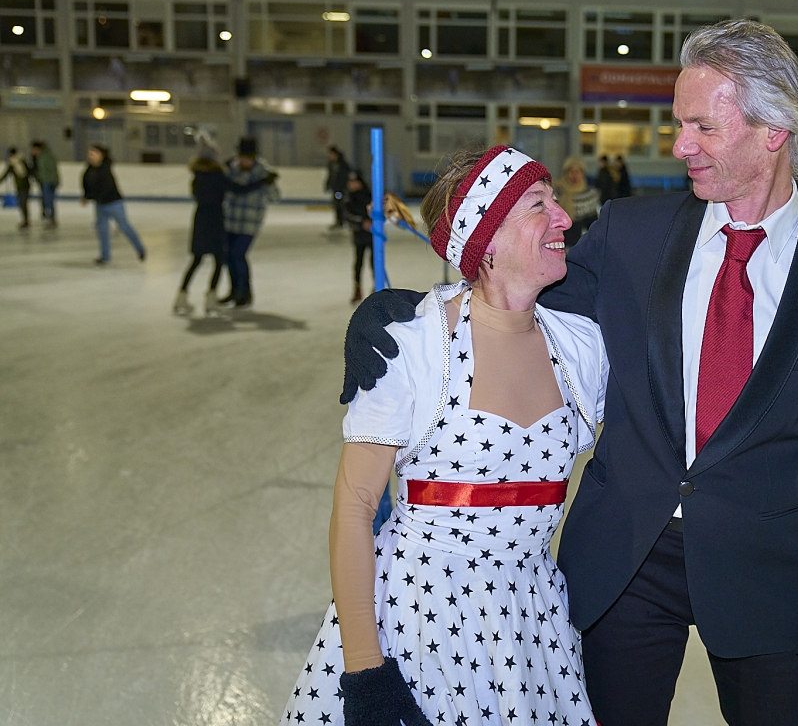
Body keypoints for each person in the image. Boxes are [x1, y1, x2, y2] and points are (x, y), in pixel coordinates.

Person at [344, 19, 798, 726]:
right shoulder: (631, 234)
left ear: (774, 130)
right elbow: (515, 293)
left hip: (764, 571)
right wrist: (408, 313)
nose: (680, 145)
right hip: (624, 560)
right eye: (679, 124)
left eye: (702, 126)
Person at [282, 144, 606, 726]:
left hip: (530, 623)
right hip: (421, 617)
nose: (563, 217)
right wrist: (365, 673)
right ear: (487, 240)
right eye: (538, 204)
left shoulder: (579, 346)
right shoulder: (411, 344)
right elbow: (355, 507)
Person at [174, 137, 231, 316]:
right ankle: (211, 299)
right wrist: (260, 182)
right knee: (218, 259)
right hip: (215, 219)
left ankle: (181, 296)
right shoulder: (218, 175)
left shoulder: (197, 176)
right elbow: (235, 189)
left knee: (196, 260)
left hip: (200, 219)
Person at [221, 137, 280, 308]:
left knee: (237, 254)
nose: (244, 161)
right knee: (228, 256)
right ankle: (234, 291)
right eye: (241, 157)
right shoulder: (232, 170)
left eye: (247, 158)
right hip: (231, 221)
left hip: (249, 224)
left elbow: (275, 198)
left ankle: (245, 293)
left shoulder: (263, 173)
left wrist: (269, 184)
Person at [80, 145, 145, 265]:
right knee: (102, 231)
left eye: (93, 154)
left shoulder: (105, 168)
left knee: (124, 227)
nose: (90, 156)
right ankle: (105, 257)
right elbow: (86, 182)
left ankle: (140, 249)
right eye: (89, 154)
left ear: (101, 155)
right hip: (100, 205)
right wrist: (85, 196)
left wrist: (90, 196)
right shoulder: (89, 169)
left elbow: (104, 187)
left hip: (114, 204)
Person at [343, 169, 375, 304]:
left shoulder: (369, 195)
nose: (352, 185)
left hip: (373, 234)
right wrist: (361, 223)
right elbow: (347, 215)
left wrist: (373, 222)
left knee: (375, 262)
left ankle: (377, 288)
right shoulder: (348, 198)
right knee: (358, 263)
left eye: (354, 182)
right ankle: (357, 289)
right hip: (359, 235)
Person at [555, 155, 600, 247]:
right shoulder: (556, 191)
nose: (574, 175)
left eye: (578, 172)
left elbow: (592, 223)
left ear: (583, 174)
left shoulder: (590, 194)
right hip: (557, 242)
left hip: (579, 244)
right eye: (571, 171)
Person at [29, 140, 59, 228]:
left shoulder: (43, 157)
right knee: (48, 200)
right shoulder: (43, 156)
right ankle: (50, 217)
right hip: (48, 181)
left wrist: (40, 177)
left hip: (48, 181)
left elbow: (45, 170)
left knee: (47, 200)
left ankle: (50, 217)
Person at [1, 147, 32, 231]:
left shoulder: (21, 161)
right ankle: (25, 220)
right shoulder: (11, 164)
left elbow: (26, 172)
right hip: (19, 186)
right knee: (22, 204)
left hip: (25, 186)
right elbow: (6, 173)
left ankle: (26, 221)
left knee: (23, 203)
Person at [326, 146, 351, 230]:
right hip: (335, 189)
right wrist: (328, 184)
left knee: (341, 205)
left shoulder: (342, 164)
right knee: (336, 204)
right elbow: (330, 175)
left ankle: (342, 221)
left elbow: (344, 176)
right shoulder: (331, 164)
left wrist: (343, 187)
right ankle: (339, 221)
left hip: (341, 189)